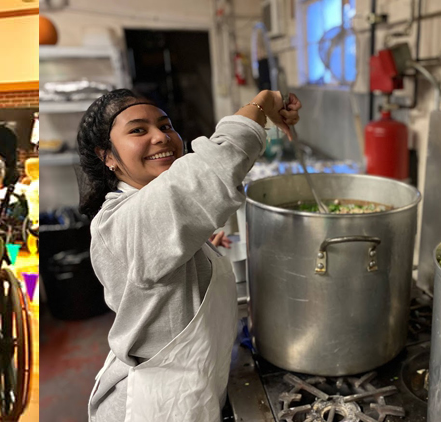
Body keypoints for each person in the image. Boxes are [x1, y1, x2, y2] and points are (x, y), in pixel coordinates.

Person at [82, 88, 300, 421]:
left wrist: (201, 249)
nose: (160, 137)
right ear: (107, 156)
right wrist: (262, 104)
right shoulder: (118, 222)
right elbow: (215, 166)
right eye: (138, 130)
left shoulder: (151, 208)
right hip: (154, 407)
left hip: (192, 394)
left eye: (166, 126)